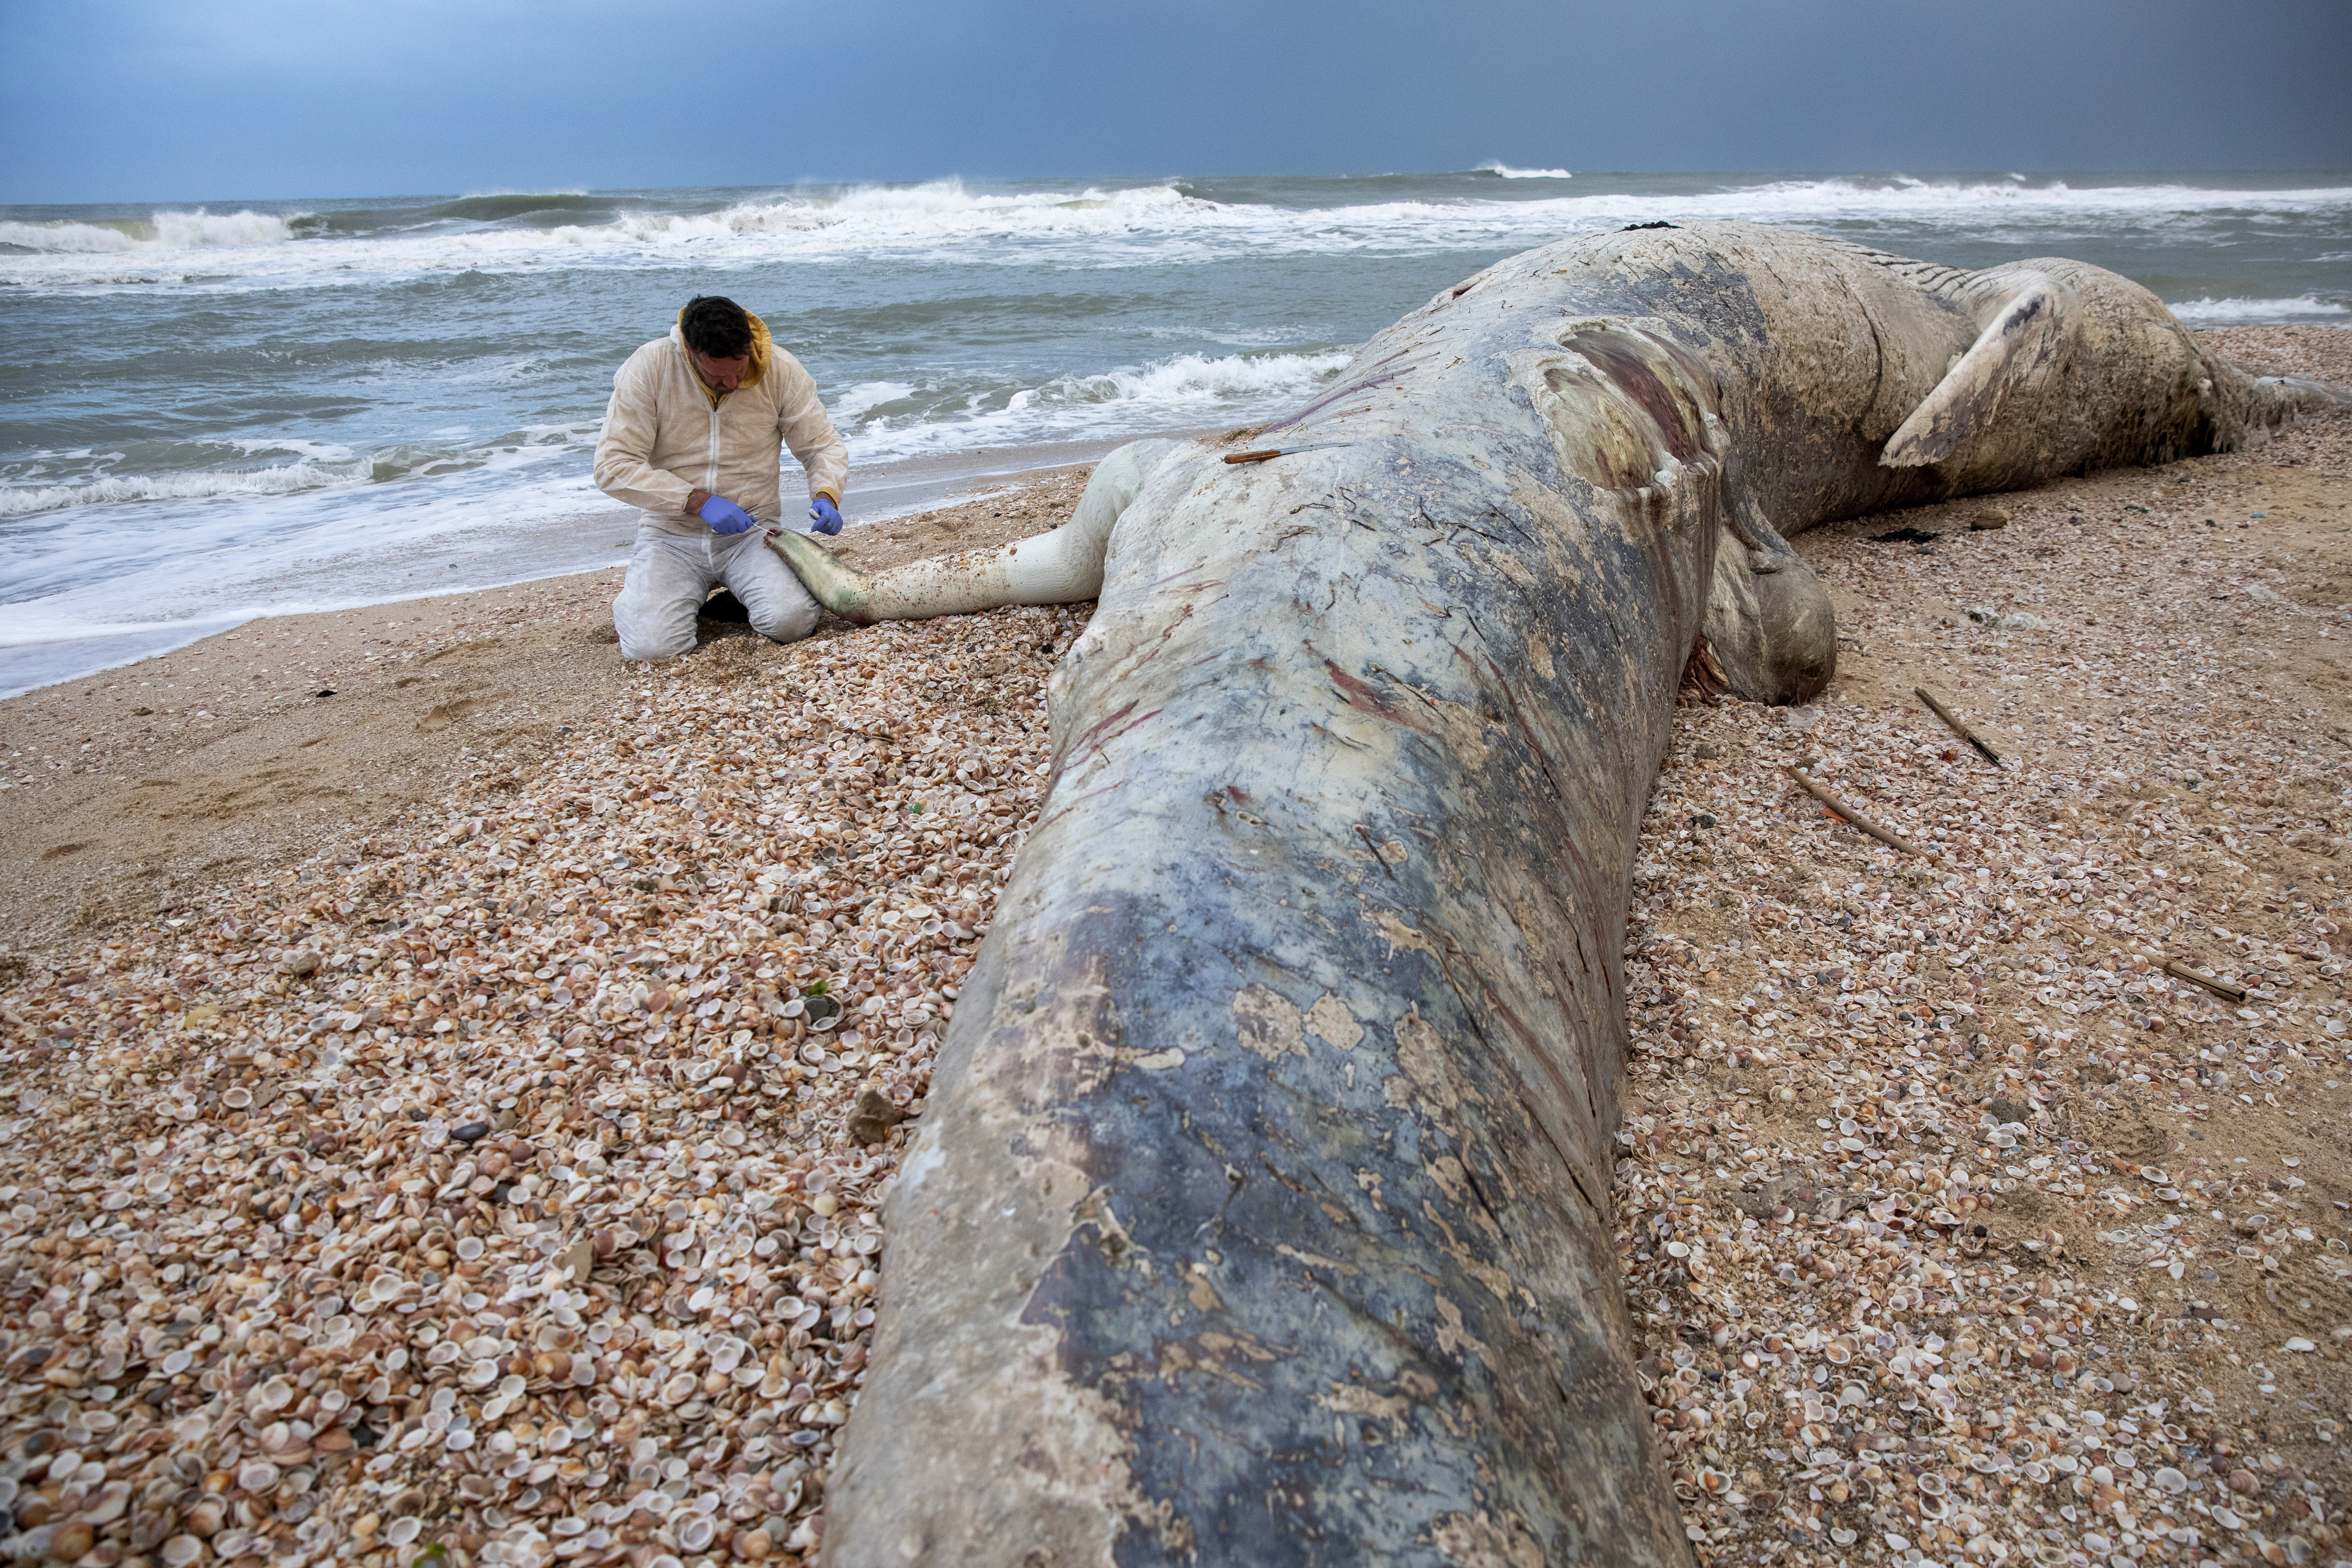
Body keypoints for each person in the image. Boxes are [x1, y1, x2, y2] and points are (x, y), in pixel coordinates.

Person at [593, 295, 849, 659]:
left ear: (750, 347)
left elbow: (821, 444)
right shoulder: (650, 367)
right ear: (688, 350)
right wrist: (698, 501)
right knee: (651, 648)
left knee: (791, 622)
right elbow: (613, 466)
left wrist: (826, 493)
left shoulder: (781, 369)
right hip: (671, 534)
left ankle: (740, 595)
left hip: (751, 531)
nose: (731, 382)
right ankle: (653, 599)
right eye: (717, 375)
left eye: (739, 369)